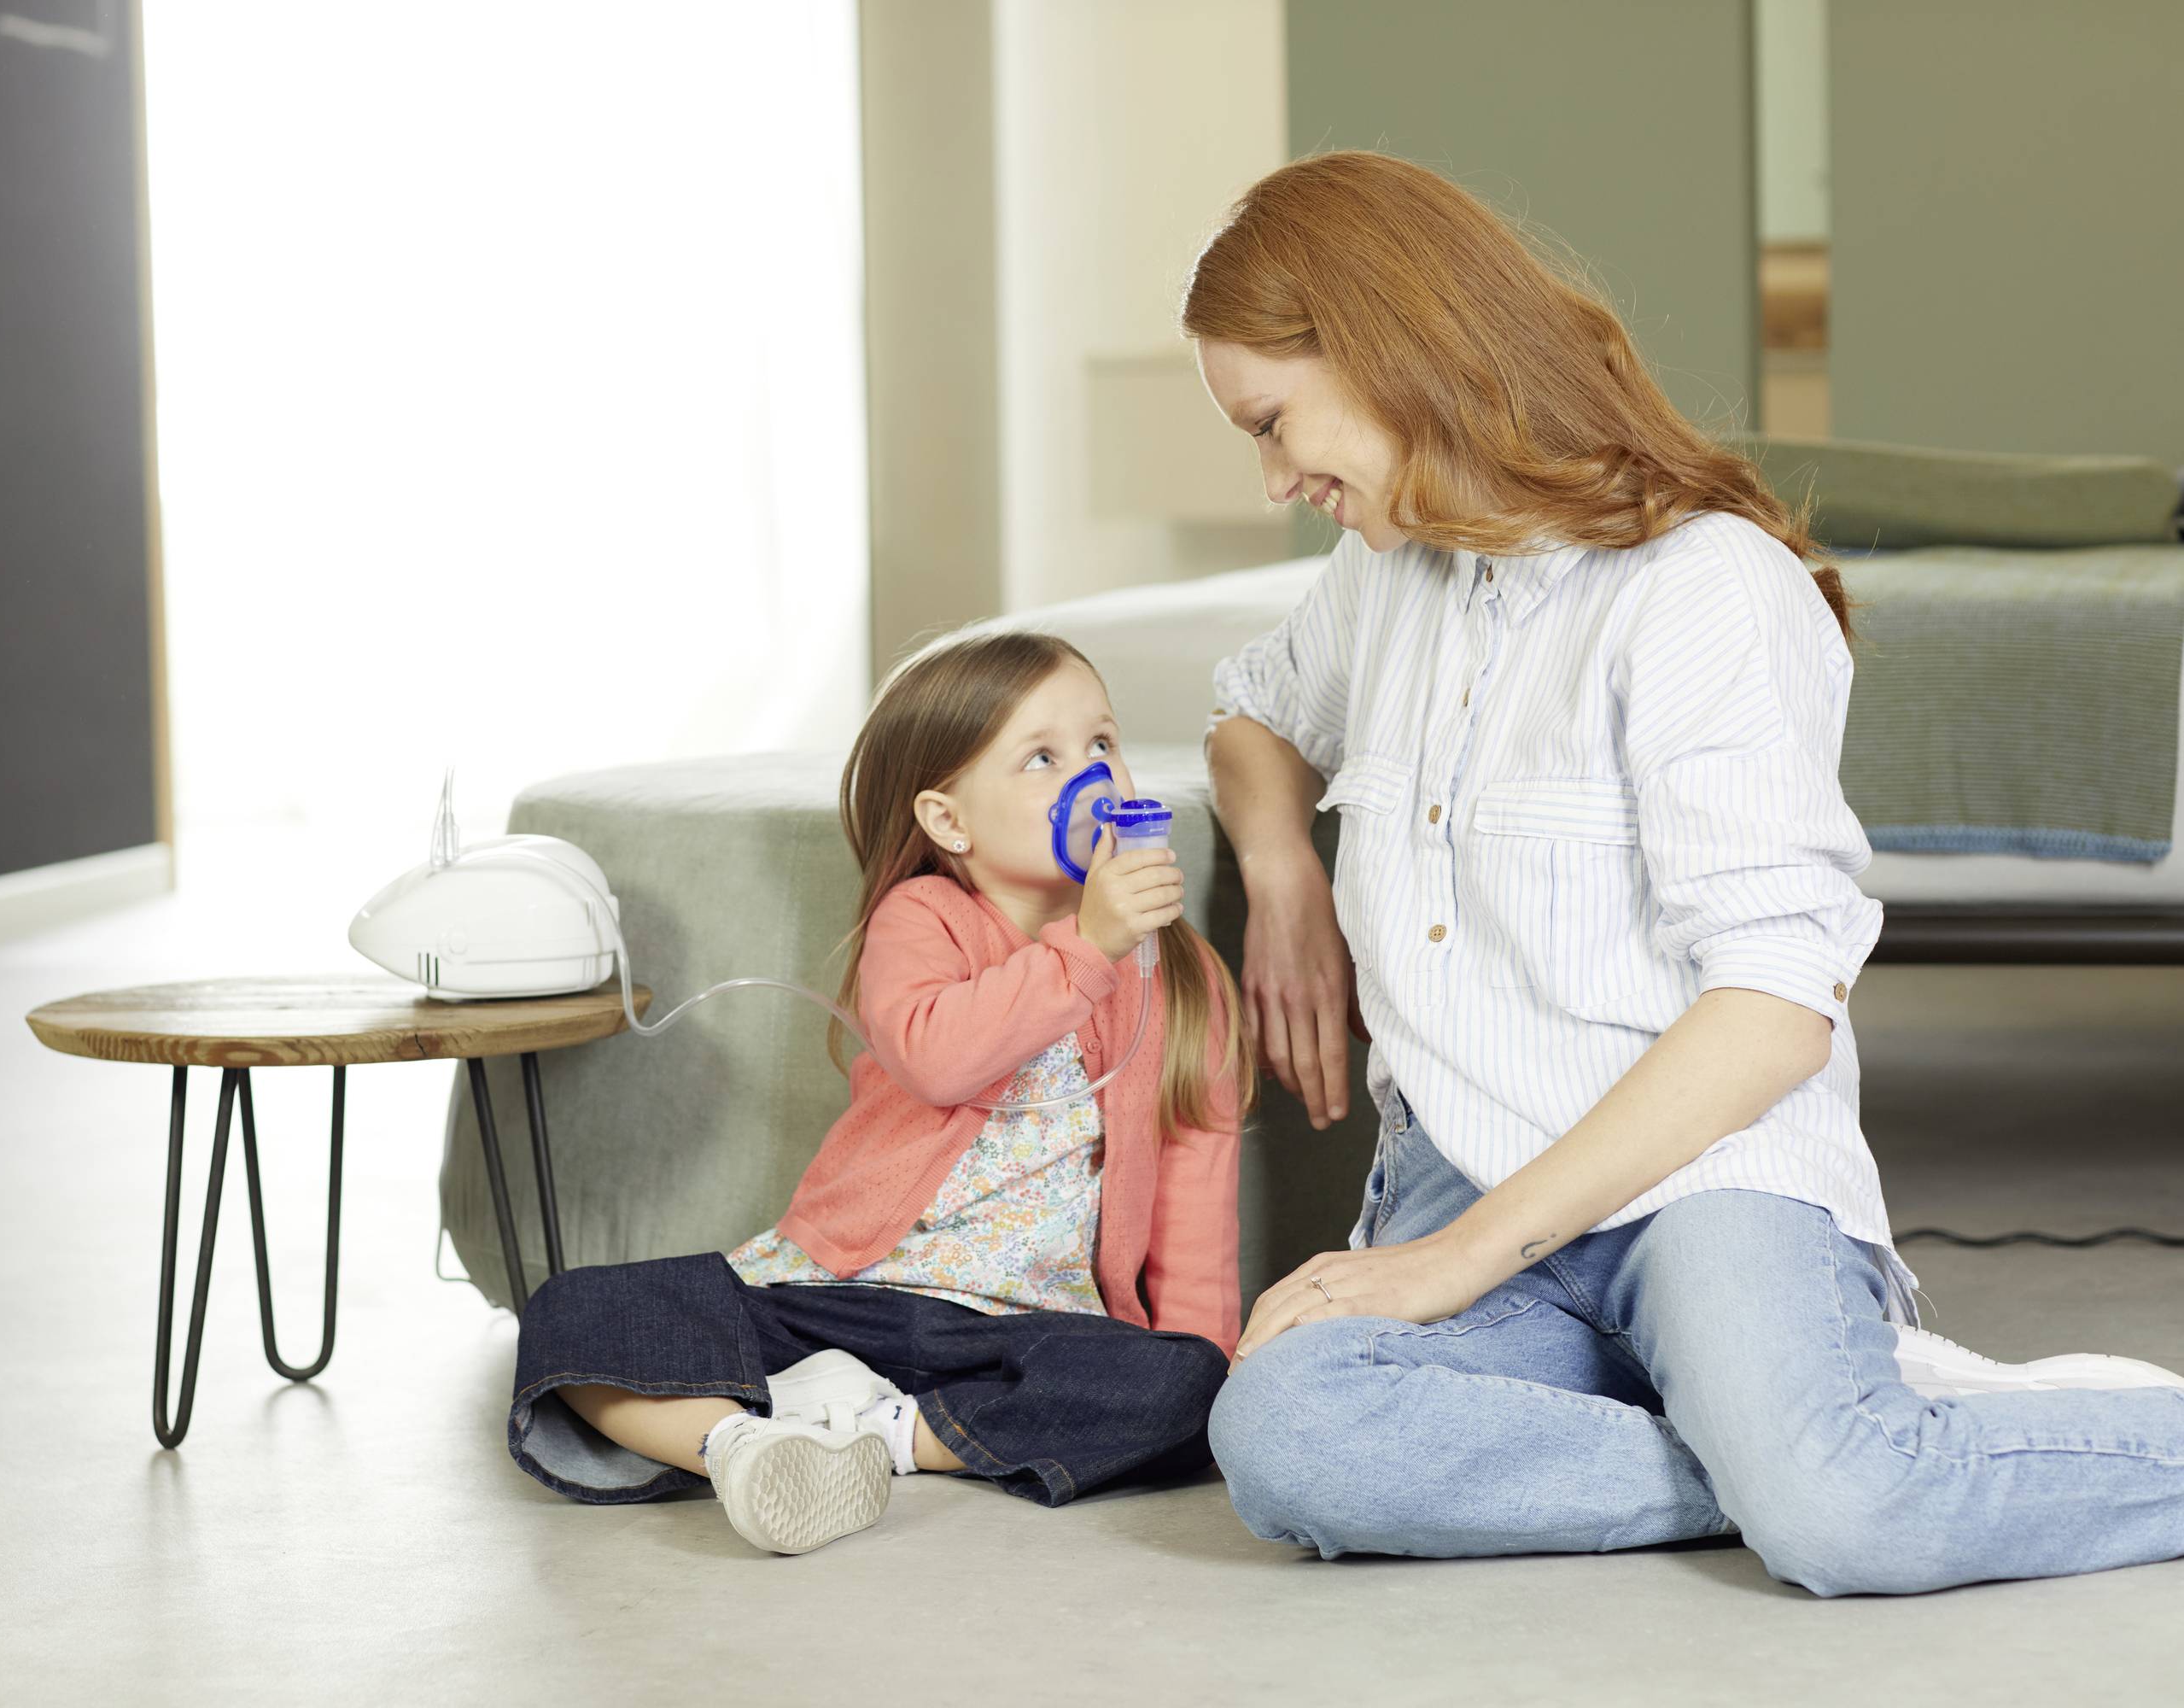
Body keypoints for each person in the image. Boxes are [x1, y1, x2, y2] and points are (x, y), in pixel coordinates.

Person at [1188, 150, 2184, 1596]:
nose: (1278, 481)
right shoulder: (1388, 576)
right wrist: (1282, 874)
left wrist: (1454, 1262)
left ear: (1386, 345)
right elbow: (1253, 713)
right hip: (1464, 1165)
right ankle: (1790, 1451)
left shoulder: (1702, 587)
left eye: (1274, 424)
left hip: (1704, 1181)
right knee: (1289, 1432)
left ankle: (1823, 1462)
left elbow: (1776, 1007)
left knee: (1844, 1522)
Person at [505, 631, 1258, 1555]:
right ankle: (740, 1446)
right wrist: (1088, 947)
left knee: (1185, 1386)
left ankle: (880, 1435)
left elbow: (1196, 1196)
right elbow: (939, 1057)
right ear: (949, 820)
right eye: (1042, 757)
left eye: (1102, 742)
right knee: (576, 1311)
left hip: (1023, 1330)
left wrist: (1202, 1368)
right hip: (842, 1294)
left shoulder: (1180, 977)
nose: (1093, 775)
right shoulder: (922, 920)